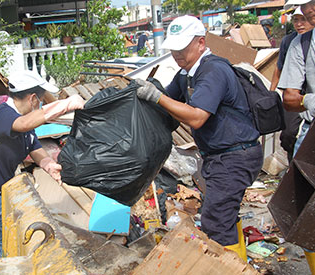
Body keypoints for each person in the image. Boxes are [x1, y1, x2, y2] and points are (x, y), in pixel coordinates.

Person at [134, 15, 263, 261]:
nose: (176, 54)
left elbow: (196, 117)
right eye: (173, 49)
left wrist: (156, 97)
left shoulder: (213, 70)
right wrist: (147, 94)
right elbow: (167, 101)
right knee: (224, 215)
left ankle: (228, 267)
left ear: (201, 43)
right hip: (219, 157)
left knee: (215, 223)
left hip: (235, 156)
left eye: (182, 48)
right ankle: (240, 265)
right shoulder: (187, 73)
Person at [0, 70, 85, 275]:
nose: (42, 105)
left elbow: (33, 147)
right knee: (9, 243)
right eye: (42, 100)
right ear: (33, 98)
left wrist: (47, 164)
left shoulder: (21, 120)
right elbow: (24, 125)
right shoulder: (1, 114)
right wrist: (65, 104)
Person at [278, 1, 315, 273]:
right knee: (308, 218)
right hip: (312, 136)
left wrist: (307, 100)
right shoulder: (300, 45)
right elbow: (290, 99)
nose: (308, 10)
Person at [270, 7, 313, 163]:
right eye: (296, 20)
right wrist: (272, 91)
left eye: (303, 19)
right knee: (288, 133)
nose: (299, 24)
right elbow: (279, 67)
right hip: (296, 95)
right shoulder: (291, 42)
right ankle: (292, 163)